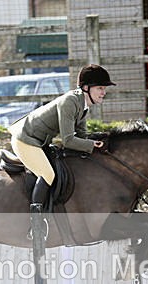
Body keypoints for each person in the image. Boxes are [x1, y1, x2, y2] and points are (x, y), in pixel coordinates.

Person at [8, 64, 114, 210]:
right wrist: (91, 145)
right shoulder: (70, 102)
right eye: (100, 88)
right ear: (86, 88)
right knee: (48, 174)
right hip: (25, 139)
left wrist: (98, 139)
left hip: (39, 142)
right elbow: (68, 140)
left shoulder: (82, 105)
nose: (104, 92)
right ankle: (36, 219)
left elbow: (82, 135)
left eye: (104, 88)